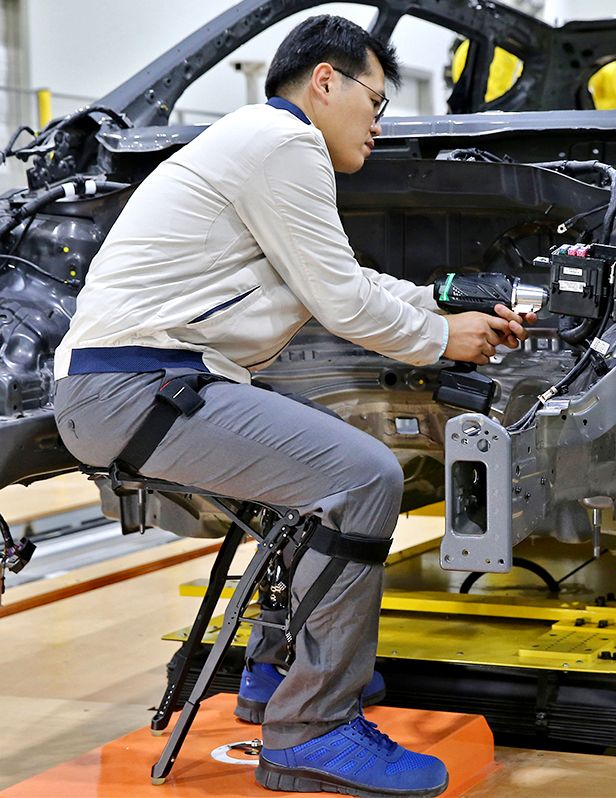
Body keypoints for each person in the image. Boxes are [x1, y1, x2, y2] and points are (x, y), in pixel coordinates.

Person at [54, 15, 534, 798]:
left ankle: (279, 677)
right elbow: (342, 299)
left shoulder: (261, 143)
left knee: (328, 471)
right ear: (324, 81)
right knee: (364, 476)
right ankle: (312, 730)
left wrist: (444, 312)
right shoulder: (284, 144)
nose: (380, 124)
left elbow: (346, 281)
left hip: (143, 385)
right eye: (375, 101)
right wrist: (439, 339)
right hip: (137, 385)